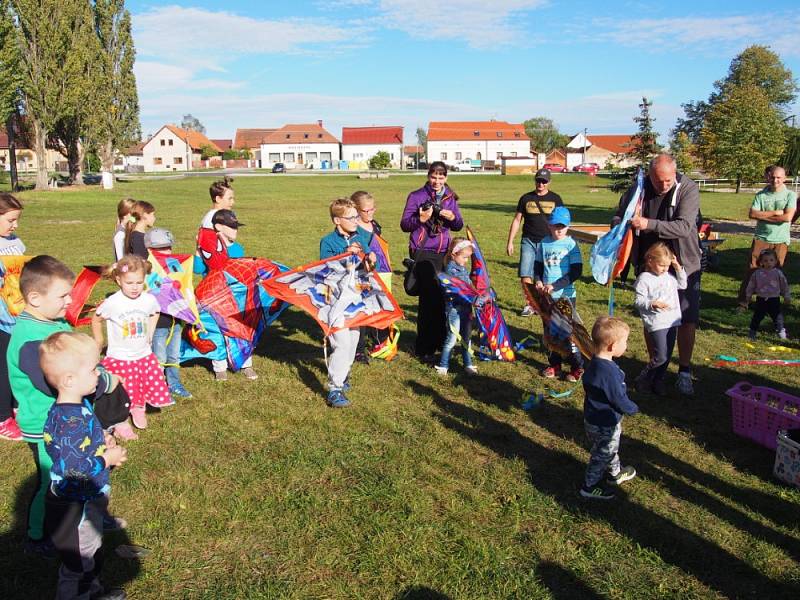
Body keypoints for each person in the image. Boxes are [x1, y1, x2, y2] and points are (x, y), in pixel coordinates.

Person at [7, 256, 124, 556]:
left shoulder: (51, 322)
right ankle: (38, 536)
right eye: (63, 295)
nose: (70, 300)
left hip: (71, 417)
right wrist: (101, 382)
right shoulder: (30, 340)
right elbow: (53, 383)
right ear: (34, 297)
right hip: (48, 425)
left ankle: (89, 517)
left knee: (81, 469)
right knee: (52, 481)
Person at [40, 331, 128, 600]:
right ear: (69, 380)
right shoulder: (70, 422)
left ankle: (93, 591)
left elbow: (74, 446)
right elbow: (74, 469)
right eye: (93, 369)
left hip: (83, 500)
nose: (99, 374)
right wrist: (105, 459)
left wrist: (101, 439)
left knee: (91, 555)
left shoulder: (72, 409)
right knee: (79, 562)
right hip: (76, 509)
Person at [615, 153, 701, 396]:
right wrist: (618, 224)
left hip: (683, 263)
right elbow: (621, 213)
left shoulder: (688, 188)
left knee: (686, 318)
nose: (663, 185)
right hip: (650, 263)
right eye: (658, 181)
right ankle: (655, 366)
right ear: (650, 175)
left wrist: (648, 224)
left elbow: (684, 227)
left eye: (668, 180)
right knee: (651, 317)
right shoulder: (639, 187)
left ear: (675, 174)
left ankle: (684, 371)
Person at [91, 255, 174, 432]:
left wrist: (150, 332)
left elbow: (155, 312)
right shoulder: (113, 302)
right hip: (120, 355)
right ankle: (120, 415)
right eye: (130, 283)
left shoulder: (148, 300)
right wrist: (99, 340)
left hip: (142, 353)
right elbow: (96, 319)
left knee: (140, 383)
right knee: (122, 388)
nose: (135, 287)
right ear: (119, 280)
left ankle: (138, 408)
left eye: (139, 282)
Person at [400, 162, 464, 363]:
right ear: (428, 176)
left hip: (443, 252)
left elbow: (459, 224)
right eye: (433, 177)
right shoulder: (416, 196)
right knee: (427, 300)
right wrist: (420, 218)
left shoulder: (450, 197)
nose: (437, 182)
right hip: (423, 251)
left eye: (441, 177)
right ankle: (423, 347)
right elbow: (404, 224)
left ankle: (438, 343)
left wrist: (452, 217)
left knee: (441, 298)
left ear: (446, 178)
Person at [320, 197, 374, 408]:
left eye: (356, 216)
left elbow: (367, 266)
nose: (355, 220)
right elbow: (324, 270)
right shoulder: (328, 242)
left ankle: (343, 375)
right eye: (350, 217)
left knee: (352, 342)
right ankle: (335, 388)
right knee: (341, 343)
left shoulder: (362, 236)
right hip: (335, 301)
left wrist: (370, 261)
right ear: (337, 220)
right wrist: (344, 256)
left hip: (356, 299)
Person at [581, 316, 639, 501]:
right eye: (625, 342)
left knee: (608, 448)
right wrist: (631, 408)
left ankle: (615, 473)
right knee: (602, 453)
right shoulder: (608, 373)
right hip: (605, 422)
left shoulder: (595, 362)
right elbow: (618, 398)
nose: (627, 345)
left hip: (593, 419)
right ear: (612, 346)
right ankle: (590, 485)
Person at [204, 209, 259, 381]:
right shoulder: (208, 247)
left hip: (236, 296)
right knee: (217, 332)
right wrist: (200, 255)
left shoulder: (237, 248)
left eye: (237, 227)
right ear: (218, 227)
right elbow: (199, 269)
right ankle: (220, 366)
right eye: (232, 227)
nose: (236, 230)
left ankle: (246, 364)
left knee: (241, 329)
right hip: (215, 297)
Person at [535, 206, 584, 382]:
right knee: (550, 333)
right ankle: (554, 364)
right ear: (549, 225)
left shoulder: (571, 244)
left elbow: (576, 272)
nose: (558, 230)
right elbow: (538, 266)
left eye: (562, 226)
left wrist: (555, 286)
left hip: (565, 296)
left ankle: (577, 366)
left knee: (568, 333)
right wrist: (538, 280)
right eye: (555, 226)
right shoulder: (544, 243)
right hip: (547, 298)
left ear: (568, 226)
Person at [736, 165, 796, 308]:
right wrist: (776, 213)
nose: (775, 180)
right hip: (761, 238)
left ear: (784, 178)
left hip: (780, 240)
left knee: (777, 272)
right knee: (752, 270)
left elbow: (787, 217)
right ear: (768, 177)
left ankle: (775, 302)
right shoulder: (761, 195)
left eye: (779, 177)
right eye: (773, 177)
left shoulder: (790, 195)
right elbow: (752, 214)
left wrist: (762, 216)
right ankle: (743, 303)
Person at [506, 168, 564, 316]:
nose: (541, 184)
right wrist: (510, 241)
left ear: (549, 182)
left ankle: (544, 303)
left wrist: (561, 241)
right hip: (528, 240)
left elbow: (562, 221)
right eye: (538, 180)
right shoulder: (525, 198)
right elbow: (517, 220)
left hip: (548, 242)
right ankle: (530, 304)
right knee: (525, 272)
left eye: (544, 181)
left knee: (547, 274)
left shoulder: (556, 199)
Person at [633, 243, 687, 395]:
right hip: (657, 322)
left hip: (672, 320)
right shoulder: (644, 279)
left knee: (667, 355)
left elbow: (683, 284)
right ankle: (643, 379)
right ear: (650, 261)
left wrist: (677, 267)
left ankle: (657, 381)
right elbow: (637, 301)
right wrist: (651, 304)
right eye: (661, 265)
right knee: (660, 356)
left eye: (667, 265)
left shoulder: (669, 277)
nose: (665, 268)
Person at [146, 227, 193, 398]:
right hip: (158, 322)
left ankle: (174, 384)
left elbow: (183, 284)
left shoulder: (174, 263)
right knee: (159, 357)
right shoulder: (147, 270)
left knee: (173, 356)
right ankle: (157, 388)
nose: (169, 251)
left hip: (176, 319)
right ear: (151, 250)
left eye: (169, 247)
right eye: (163, 248)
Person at [352, 190, 390, 361]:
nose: (370, 213)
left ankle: (380, 344)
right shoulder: (354, 229)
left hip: (380, 273)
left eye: (373, 209)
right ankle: (359, 349)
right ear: (356, 210)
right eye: (366, 211)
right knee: (361, 310)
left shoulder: (375, 225)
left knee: (380, 306)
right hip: (361, 275)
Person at [0, 193, 25, 441]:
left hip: (18, 313)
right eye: (10, 220)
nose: (15, 225)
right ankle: (2, 418)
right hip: (1, 319)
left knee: (18, 363)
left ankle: (17, 405)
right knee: (3, 368)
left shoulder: (14, 241)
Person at [435, 237, 478, 376]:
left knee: (467, 338)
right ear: (454, 254)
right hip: (454, 309)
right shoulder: (451, 270)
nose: (466, 261)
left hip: (466, 308)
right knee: (452, 338)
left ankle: (468, 364)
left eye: (468, 258)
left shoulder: (463, 269)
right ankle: (443, 365)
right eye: (464, 257)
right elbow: (457, 289)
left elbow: (468, 287)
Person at [744, 248, 790, 340]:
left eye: (771, 260)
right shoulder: (757, 273)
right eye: (765, 260)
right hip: (761, 299)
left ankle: (781, 332)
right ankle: (752, 332)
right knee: (757, 316)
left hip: (774, 299)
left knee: (777, 317)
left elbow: (784, 285)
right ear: (761, 262)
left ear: (776, 261)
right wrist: (748, 296)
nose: (769, 263)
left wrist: (786, 296)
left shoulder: (778, 273)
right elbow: (751, 285)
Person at [196, 177, 235, 273]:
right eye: (229, 198)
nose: (233, 202)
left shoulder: (216, 216)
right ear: (218, 199)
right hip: (219, 275)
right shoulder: (214, 220)